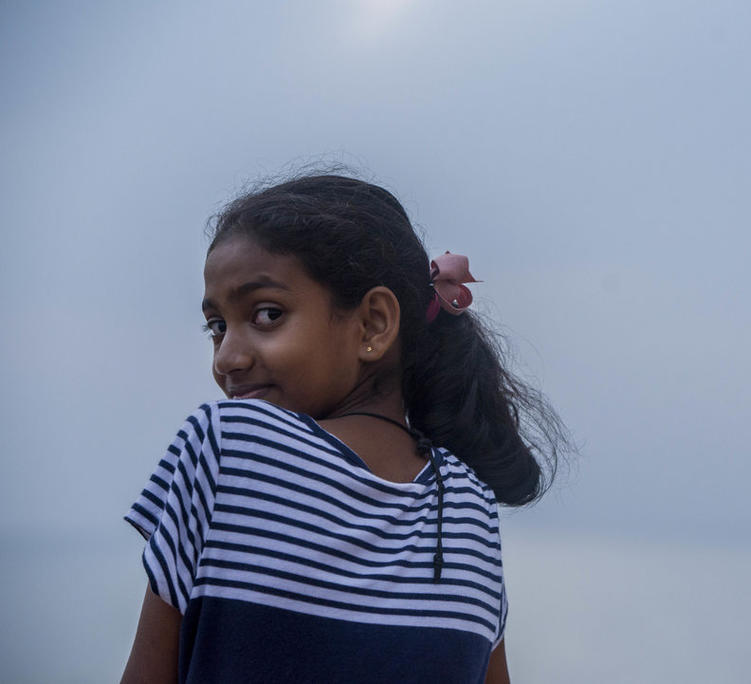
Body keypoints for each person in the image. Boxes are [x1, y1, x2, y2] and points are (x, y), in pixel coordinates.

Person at [120, 174, 568, 683]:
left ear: (373, 323)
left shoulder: (229, 444)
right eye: (218, 327)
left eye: (267, 314)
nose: (227, 359)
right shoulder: (469, 504)